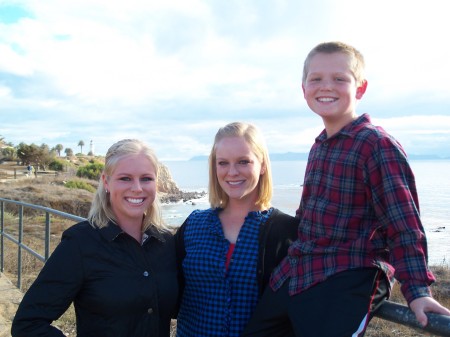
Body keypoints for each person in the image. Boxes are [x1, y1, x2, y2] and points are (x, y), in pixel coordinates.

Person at [242, 41, 450, 337]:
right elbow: (308, 216)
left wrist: (417, 290)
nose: (326, 86)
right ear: (304, 89)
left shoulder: (376, 144)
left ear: (360, 89)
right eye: (316, 79)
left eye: (339, 79)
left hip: (348, 275)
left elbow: (404, 224)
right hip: (298, 273)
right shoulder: (319, 145)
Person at [11, 139, 178, 337]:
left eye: (146, 178)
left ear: (156, 184)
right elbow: (28, 324)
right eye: (125, 178)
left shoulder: (167, 242)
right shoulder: (80, 243)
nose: (137, 188)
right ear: (106, 182)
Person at [175, 122, 298, 337]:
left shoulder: (286, 232)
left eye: (243, 162)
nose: (232, 172)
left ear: (262, 165)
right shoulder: (193, 226)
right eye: (223, 163)